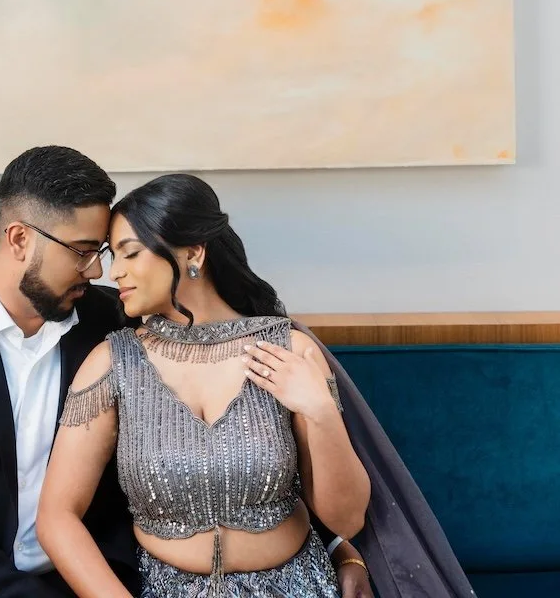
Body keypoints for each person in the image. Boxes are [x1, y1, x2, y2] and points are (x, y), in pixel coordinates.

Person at [0, 147, 370, 598]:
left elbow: (241, 447)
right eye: (84, 253)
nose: (100, 271)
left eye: (108, 253)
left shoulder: (113, 319)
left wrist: (339, 547)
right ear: (18, 240)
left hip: (90, 571)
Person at [37, 174, 476, 598]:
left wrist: (320, 412)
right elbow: (57, 516)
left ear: (193, 254)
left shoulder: (290, 350)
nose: (115, 275)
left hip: (298, 587)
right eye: (115, 257)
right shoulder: (111, 363)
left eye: (130, 254)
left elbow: (347, 518)